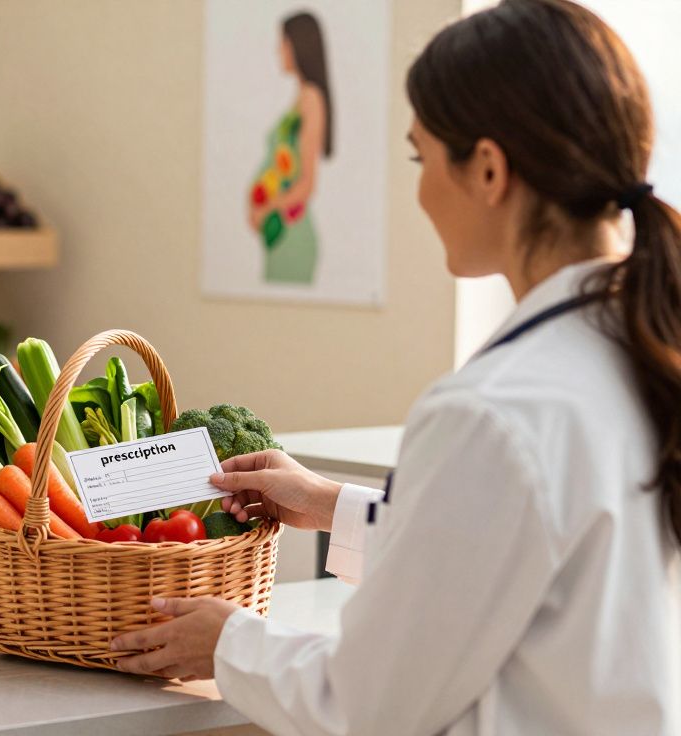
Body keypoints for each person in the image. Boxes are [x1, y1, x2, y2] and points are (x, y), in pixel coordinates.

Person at [112, 1, 681, 733]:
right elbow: (512, 560)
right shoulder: (643, 353)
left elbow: (370, 705)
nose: (417, 191)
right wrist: (329, 505)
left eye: (420, 157)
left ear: (487, 169)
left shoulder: (493, 411)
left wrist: (230, 644)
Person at [247, 11, 333, 285]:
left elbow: (307, 183)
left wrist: (267, 209)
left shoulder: (311, 100)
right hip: (281, 235)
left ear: (298, 45)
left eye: (282, 43)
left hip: (293, 237)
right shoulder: (300, 98)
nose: (278, 51)